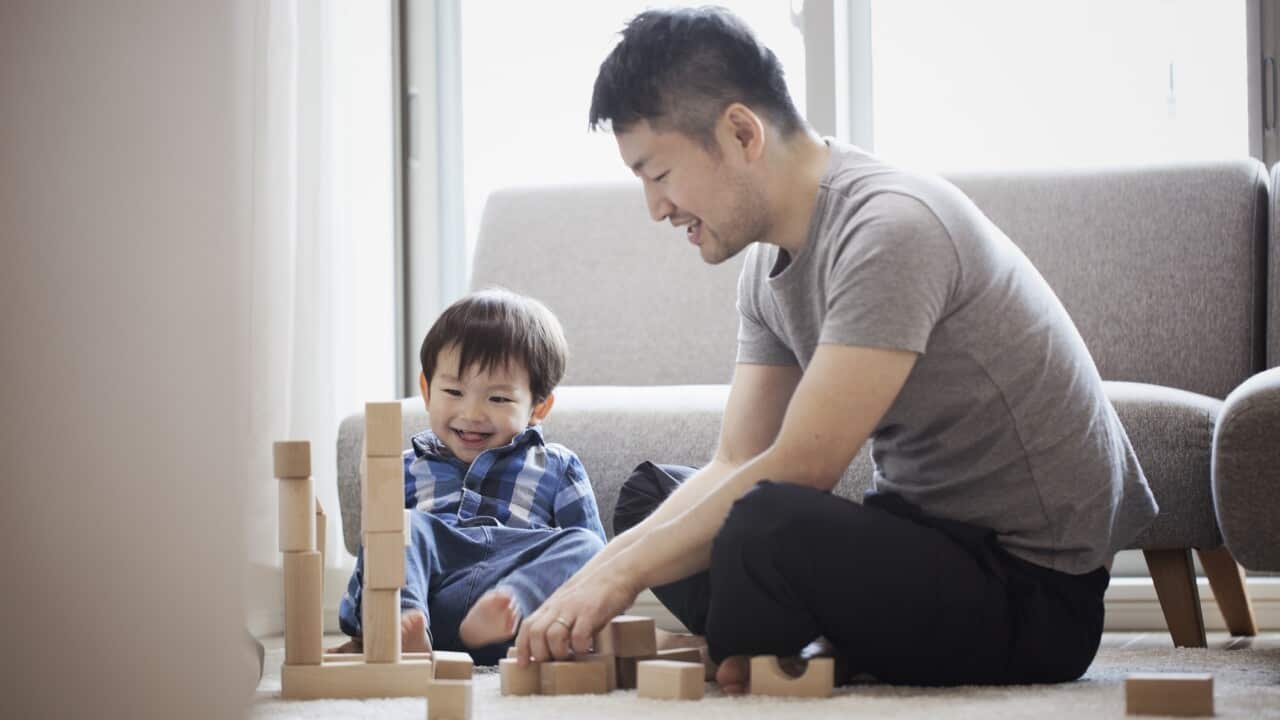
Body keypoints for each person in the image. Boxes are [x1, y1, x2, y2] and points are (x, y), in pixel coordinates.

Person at [514, 7, 1157, 691]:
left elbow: (802, 467)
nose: (655, 208)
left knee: (765, 522)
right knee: (650, 497)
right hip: (923, 541)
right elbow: (736, 456)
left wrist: (620, 574)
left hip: (1031, 593)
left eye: (659, 173)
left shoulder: (891, 229)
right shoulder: (765, 270)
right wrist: (596, 574)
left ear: (739, 132)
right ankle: (783, 639)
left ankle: (768, 642)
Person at [336, 288, 606, 666]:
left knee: (590, 545)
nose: (472, 413)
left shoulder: (557, 465)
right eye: (454, 391)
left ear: (538, 407)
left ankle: (511, 600)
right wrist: (361, 622)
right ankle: (401, 623)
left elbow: (594, 566)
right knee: (398, 526)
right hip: (433, 599)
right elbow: (375, 551)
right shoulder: (403, 466)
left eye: (498, 399)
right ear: (427, 391)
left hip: (512, 608)